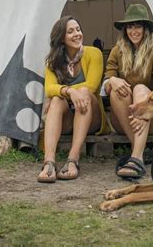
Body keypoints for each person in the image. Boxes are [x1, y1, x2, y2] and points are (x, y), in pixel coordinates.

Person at [37, 15, 107, 183]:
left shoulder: (93, 53)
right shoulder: (52, 62)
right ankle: (49, 162)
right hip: (68, 119)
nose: (77, 34)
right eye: (70, 31)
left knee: (83, 92)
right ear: (61, 38)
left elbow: (93, 86)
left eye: (78, 29)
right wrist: (68, 92)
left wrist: (67, 91)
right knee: (56, 100)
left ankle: (73, 160)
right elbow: (48, 89)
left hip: (92, 117)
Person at [103, 3, 153, 179]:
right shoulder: (117, 51)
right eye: (130, 26)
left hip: (150, 119)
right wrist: (113, 80)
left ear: (146, 29)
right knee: (117, 89)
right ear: (125, 30)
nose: (134, 31)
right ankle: (138, 152)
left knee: (140, 89)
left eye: (137, 26)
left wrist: (145, 110)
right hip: (122, 118)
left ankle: (136, 156)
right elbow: (105, 84)